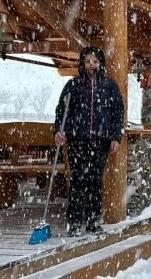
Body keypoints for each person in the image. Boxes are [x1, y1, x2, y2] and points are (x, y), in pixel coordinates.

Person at [54, 46, 124, 236]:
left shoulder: (109, 86)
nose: (91, 65)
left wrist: (116, 137)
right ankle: (74, 222)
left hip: (100, 140)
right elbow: (62, 111)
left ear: (101, 64)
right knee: (78, 180)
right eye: (87, 61)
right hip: (78, 139)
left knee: (95, 181)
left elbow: (117, 113)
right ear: (82, 64)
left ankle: (93, 221)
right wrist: (58, 131)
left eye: (95, 61)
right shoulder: (73, 85)